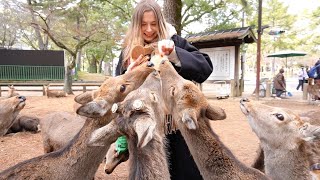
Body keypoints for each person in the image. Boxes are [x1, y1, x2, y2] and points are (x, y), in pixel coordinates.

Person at [115, 0, 213, 179]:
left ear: (160, 22)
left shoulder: (173, 42)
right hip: (145, 131)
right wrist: (129, 73)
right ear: (136, 25)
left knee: (186, 173)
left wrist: (174, 54)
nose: (149, 30)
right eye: (143, 24)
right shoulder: (128, 52)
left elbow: (205, 68)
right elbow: (117, 93)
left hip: (176, 128)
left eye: (154, 24)